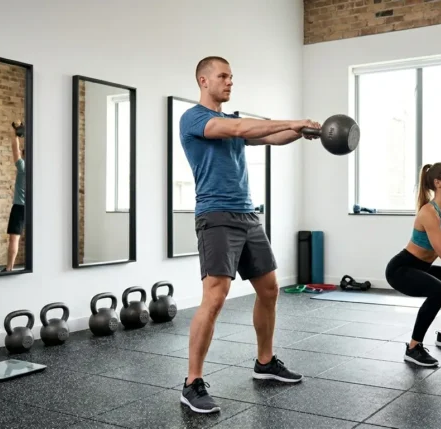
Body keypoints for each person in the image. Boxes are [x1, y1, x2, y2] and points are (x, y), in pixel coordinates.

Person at [178, 56, 320, 414]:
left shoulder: (231, 120)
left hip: (247, 214)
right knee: (215, 296)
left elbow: (271, 136)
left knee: (269, 289)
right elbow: (244, 130)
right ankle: (192, 382)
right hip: (215, 215)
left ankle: (265, 362)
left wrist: (304, 132)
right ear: (203, 80)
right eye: (223, 76)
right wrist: (294, 121)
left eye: (231, 77)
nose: (229, 82)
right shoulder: (194, 119)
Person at [384, 162, 441, 367]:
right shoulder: (429, 213)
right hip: (401, 269)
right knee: (438, 290)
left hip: (422, 267)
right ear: (437, 183)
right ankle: (413, 348)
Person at [2, 120, 26, 272]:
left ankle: (9, 268)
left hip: (19, 207)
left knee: (14, 238)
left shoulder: (22, 167)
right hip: (35, 207)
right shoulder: (40, 169)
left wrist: (15, 131)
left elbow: (14, 148)